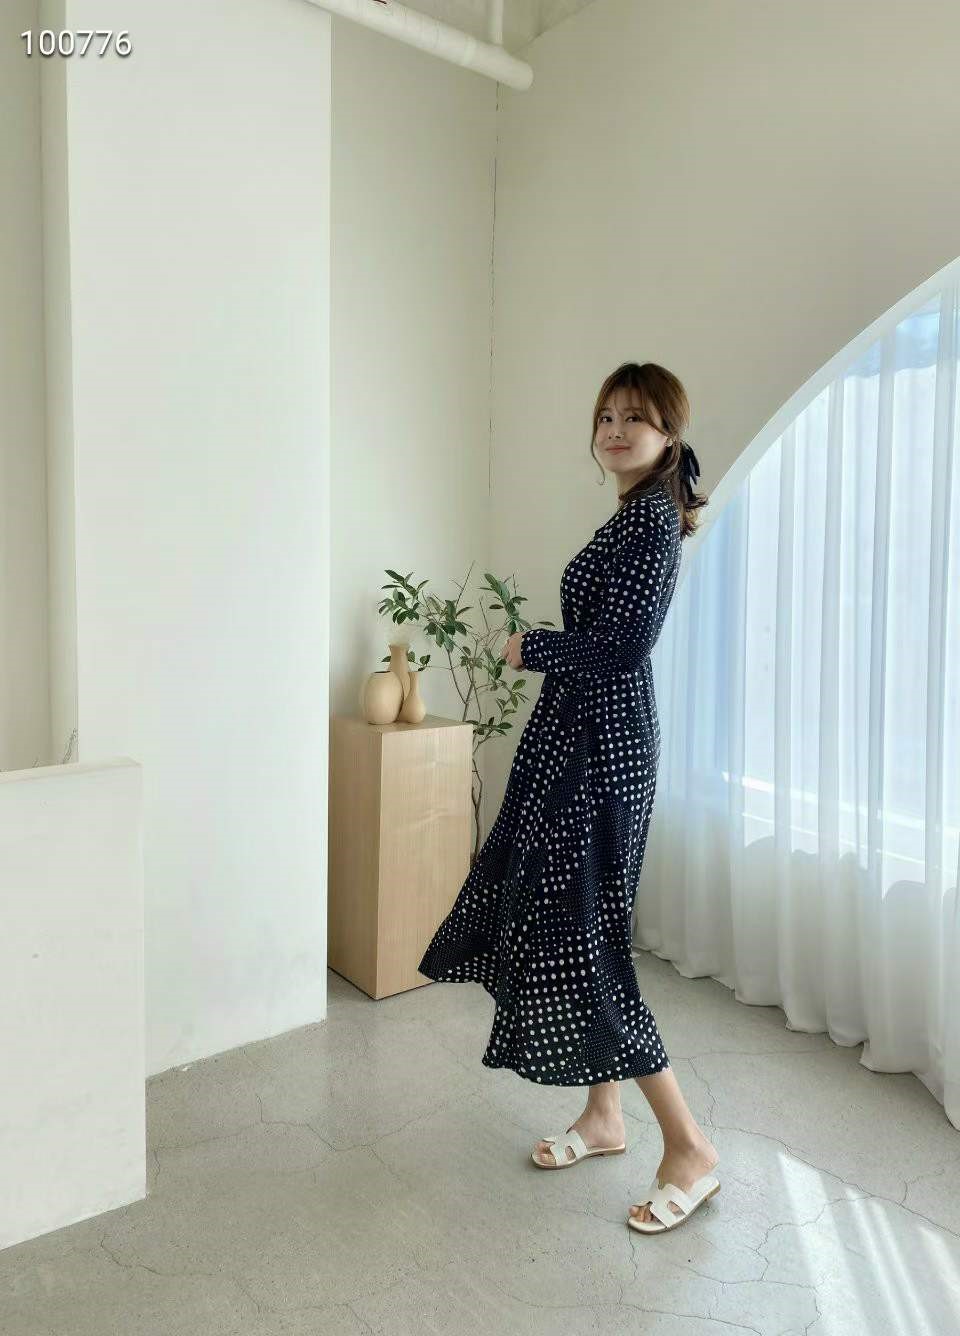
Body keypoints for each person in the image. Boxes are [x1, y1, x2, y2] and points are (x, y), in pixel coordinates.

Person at [418, 361, 717, 1234]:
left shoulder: (650, 524)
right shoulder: (632, 515)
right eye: (606, 416)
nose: (616, 430)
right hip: (580, 741)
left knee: (588, 941)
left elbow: (623, 648)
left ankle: (690, 1148)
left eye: (636, 418)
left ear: (669, 434)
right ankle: (604, 1115)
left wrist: (535, 646)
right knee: (580, 926)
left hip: (603, 754)